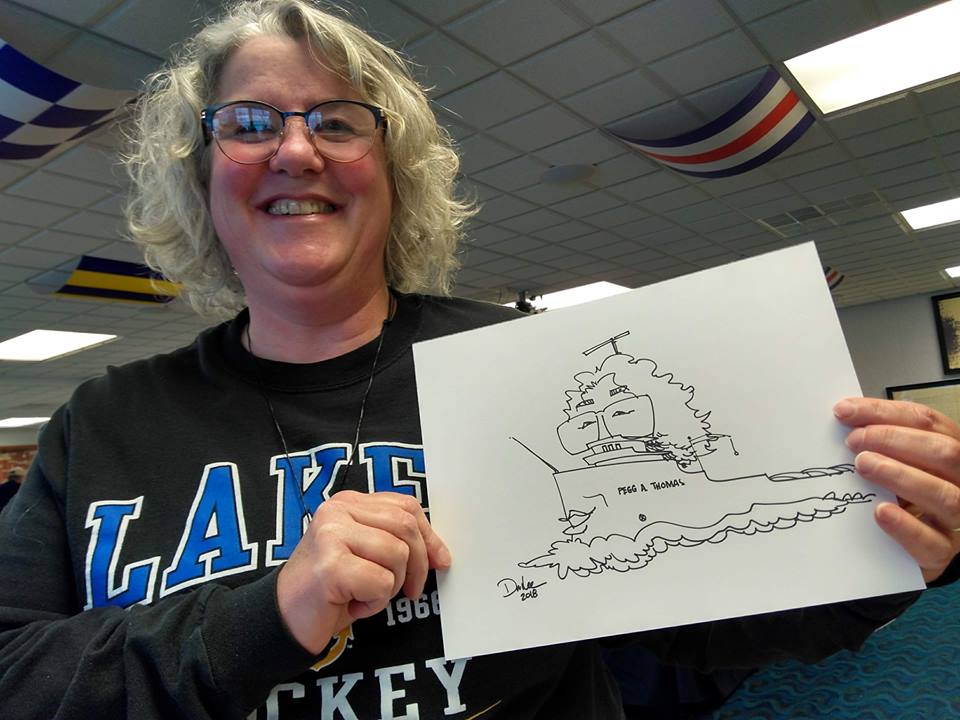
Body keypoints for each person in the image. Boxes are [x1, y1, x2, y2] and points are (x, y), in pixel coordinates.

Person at [0, 1, 958, 718]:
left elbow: (696, 617)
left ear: (394, 173)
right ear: (201, 176)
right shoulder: (105, 422)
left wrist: (890, 547)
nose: (295, 150)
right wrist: (269, 614)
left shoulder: (529, 365)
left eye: (338, 121)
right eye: (248, 123)